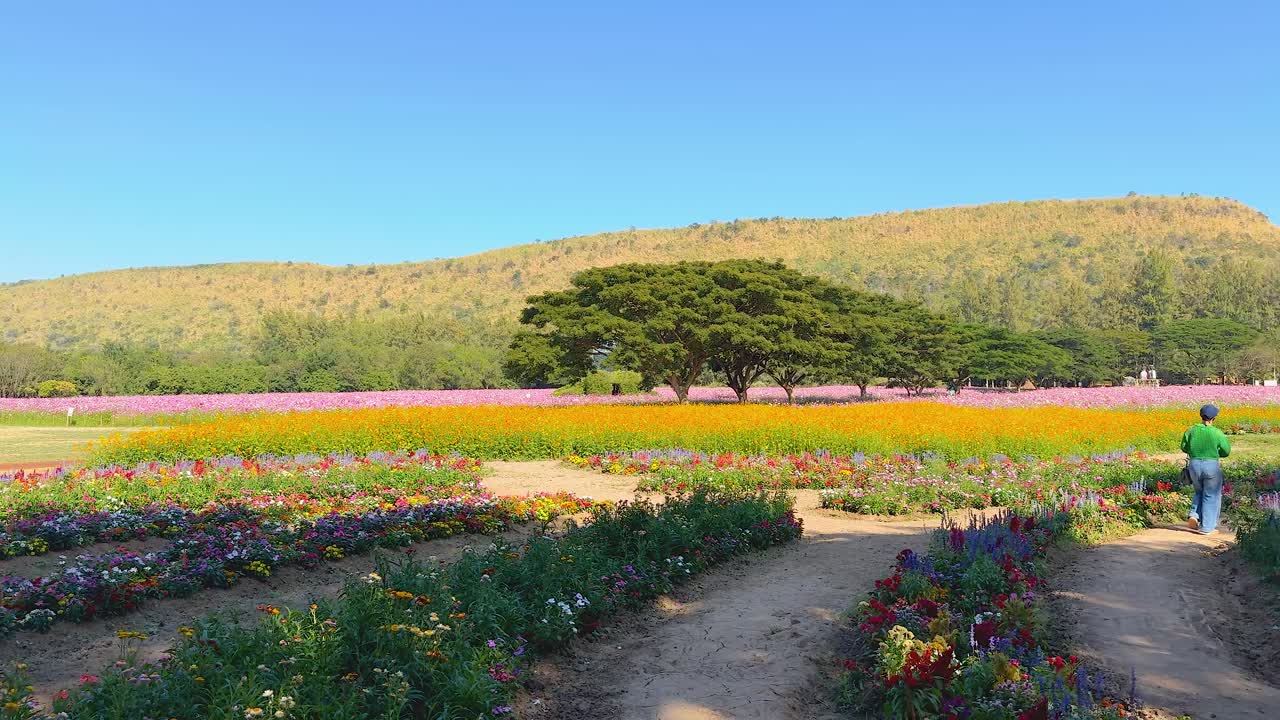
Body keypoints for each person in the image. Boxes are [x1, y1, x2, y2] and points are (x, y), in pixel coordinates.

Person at [1181, 404, 1231, 535]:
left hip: (1194, 465)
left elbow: (1184, 447)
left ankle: (1194, 514)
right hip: (1211, 465)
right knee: (1211, 495)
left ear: (1201, 416)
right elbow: (1226, 451)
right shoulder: (1217, 432)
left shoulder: (1191, 430)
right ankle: (1207, 527)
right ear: (1214, 418)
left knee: (1199, 491)